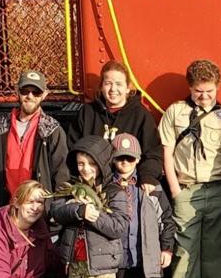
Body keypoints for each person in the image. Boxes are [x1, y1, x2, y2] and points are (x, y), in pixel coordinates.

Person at [160, 60, 221, 278]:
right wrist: (174, 190)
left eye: (209, 91)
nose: (204, 97)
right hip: (186, 190)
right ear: (189, 88)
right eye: (198, 91)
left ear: (217, 87)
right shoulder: (175, 112)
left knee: (216, 255)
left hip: (217, 190)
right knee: (184, 255)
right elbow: (166, 152)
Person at [48, 135, 130, 278]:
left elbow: (118, 227)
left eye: (91, 163)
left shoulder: (114, 192)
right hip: (76, 263)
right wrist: (78, 210)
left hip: (101, 265)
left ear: (102, 164)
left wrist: (95, 216)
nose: (85, 169)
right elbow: (57, 210)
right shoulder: (72, 188)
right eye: (81, 163)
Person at [111, 134, 175, 278]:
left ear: (138, 159)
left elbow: (167, 218)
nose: (124, 163)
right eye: (120, 158)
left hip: (147, 255)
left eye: (129, 159)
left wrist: (166, 248)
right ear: (113, 159)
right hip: (120, 256)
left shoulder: (151, 187)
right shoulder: (107, 188)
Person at [0, 70, 70, 216]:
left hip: (38, 212)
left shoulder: (52, 130)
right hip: (5, 208)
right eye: (25, 91)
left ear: (44, 94)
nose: (30, 96)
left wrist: (56, 214)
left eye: (36, 92)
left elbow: (61, 176)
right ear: (17, 91)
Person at [70, 60, 164, 191]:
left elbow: (153, 152)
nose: (113, 89)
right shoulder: (87, 112)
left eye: (119, 84)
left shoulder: (140, 115)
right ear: (101, 86)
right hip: (92, 183)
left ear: (127, 88)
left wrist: (148, 176)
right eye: (108, 83)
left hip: (128, 184)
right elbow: (72, 147)